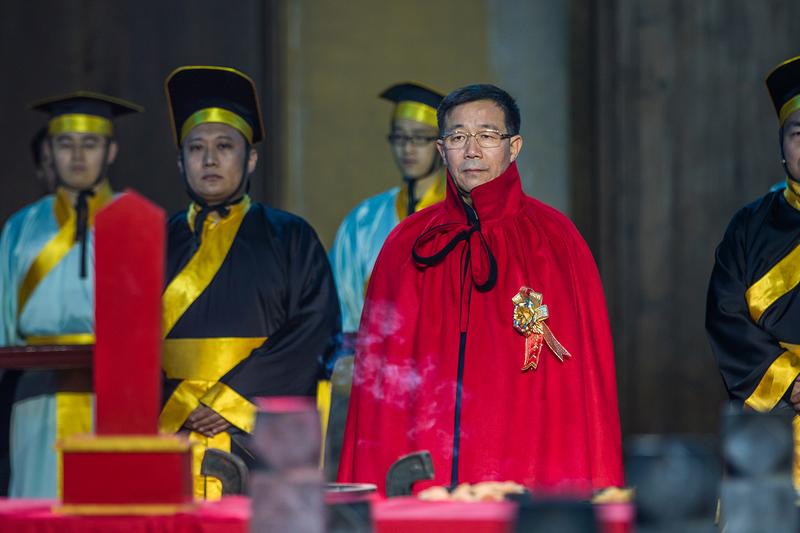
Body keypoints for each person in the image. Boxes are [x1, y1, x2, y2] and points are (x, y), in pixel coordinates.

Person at [338, 84, 623, 494]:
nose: (472, 150)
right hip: (426, 468)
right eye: (457, 137)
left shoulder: (557, 241)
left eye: (488, 136)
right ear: (441, 150)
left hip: (525, 464)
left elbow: (580, 392)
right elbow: (378, 392)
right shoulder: (407, 246)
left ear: (514, 146)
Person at [159, 66, 340, 500]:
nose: (209, 160)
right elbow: (125, 344)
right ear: (180, 161)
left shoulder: (291, 236)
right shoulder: (153, 240)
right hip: (169, 430)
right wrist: (182, 402)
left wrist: (226, 400)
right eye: (196, 148)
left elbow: (314, 330)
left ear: (251, 158)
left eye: (225, 146)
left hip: (259, 435)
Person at [0, 92, 142, 497]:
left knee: (107, 503)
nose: (77, 156)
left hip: (112, 396)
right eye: (66, 144)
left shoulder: (134, 222)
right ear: (49, 151)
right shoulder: (21, 228)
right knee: (39, 499)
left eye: (90, 144)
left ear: (111, 151)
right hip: (37, 393)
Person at [706, 55, 800, 483]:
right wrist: (788, 382)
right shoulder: (748, 225)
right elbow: (725, 317)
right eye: (799, 134)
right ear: (781, 145)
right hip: (769, 421)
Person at [329, 83, 445, 351]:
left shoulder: (460, 220)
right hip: (373, 364)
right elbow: (343, 301)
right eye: (399, 137)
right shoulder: (364, 220)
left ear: (441, 145)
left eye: (420, 138)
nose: (408, 149)